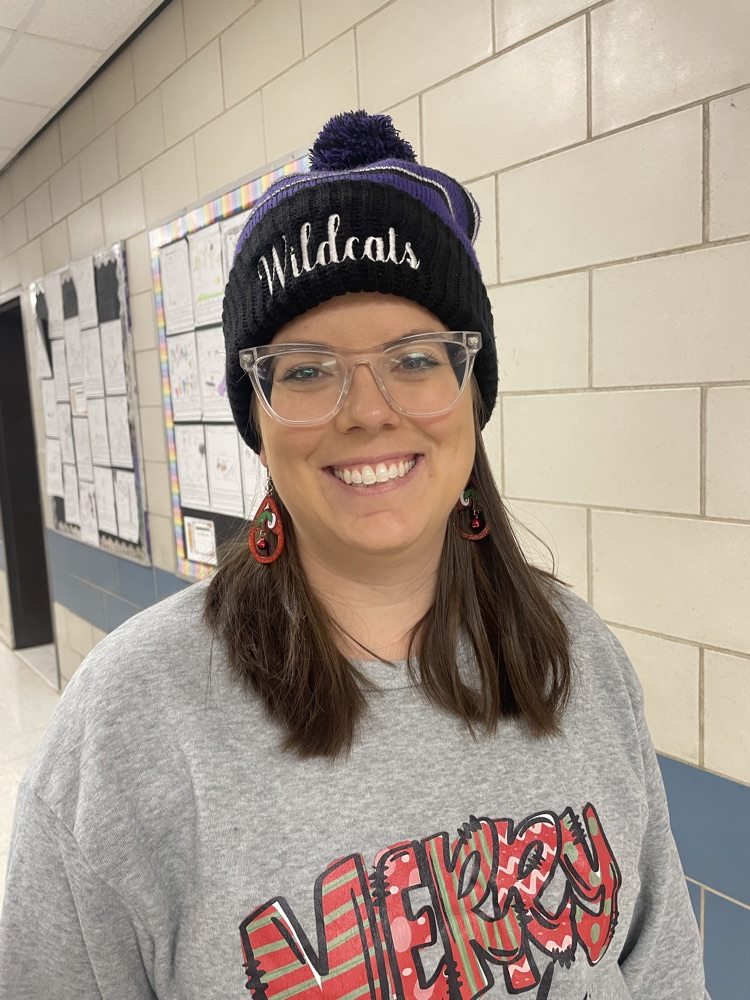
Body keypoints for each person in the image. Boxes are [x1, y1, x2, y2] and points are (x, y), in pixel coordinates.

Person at [0, 111, 709, 1000]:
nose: (368, 411)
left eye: (415, 357)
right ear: (255, 417)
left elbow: (665, 971)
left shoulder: (582, 659)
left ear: (470, 391)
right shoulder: (126, 726)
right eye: (304, 369)